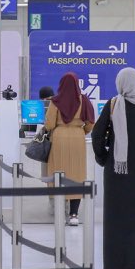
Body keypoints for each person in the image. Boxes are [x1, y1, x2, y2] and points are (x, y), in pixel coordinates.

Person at [91, 68, 135, 269]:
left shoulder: (114, 104)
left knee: (115, 223)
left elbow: (97, 135)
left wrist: (103, 158)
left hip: (116, 171)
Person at [45, 73, 95, 226]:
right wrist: (80, 131)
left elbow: (49, 124)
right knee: (76, 175)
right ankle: (74, 215)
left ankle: (60, 213)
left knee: (58, 174)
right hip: (77, 138)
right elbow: (90, 123)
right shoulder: (84, 100)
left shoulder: (55, 102)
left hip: (59, 138)